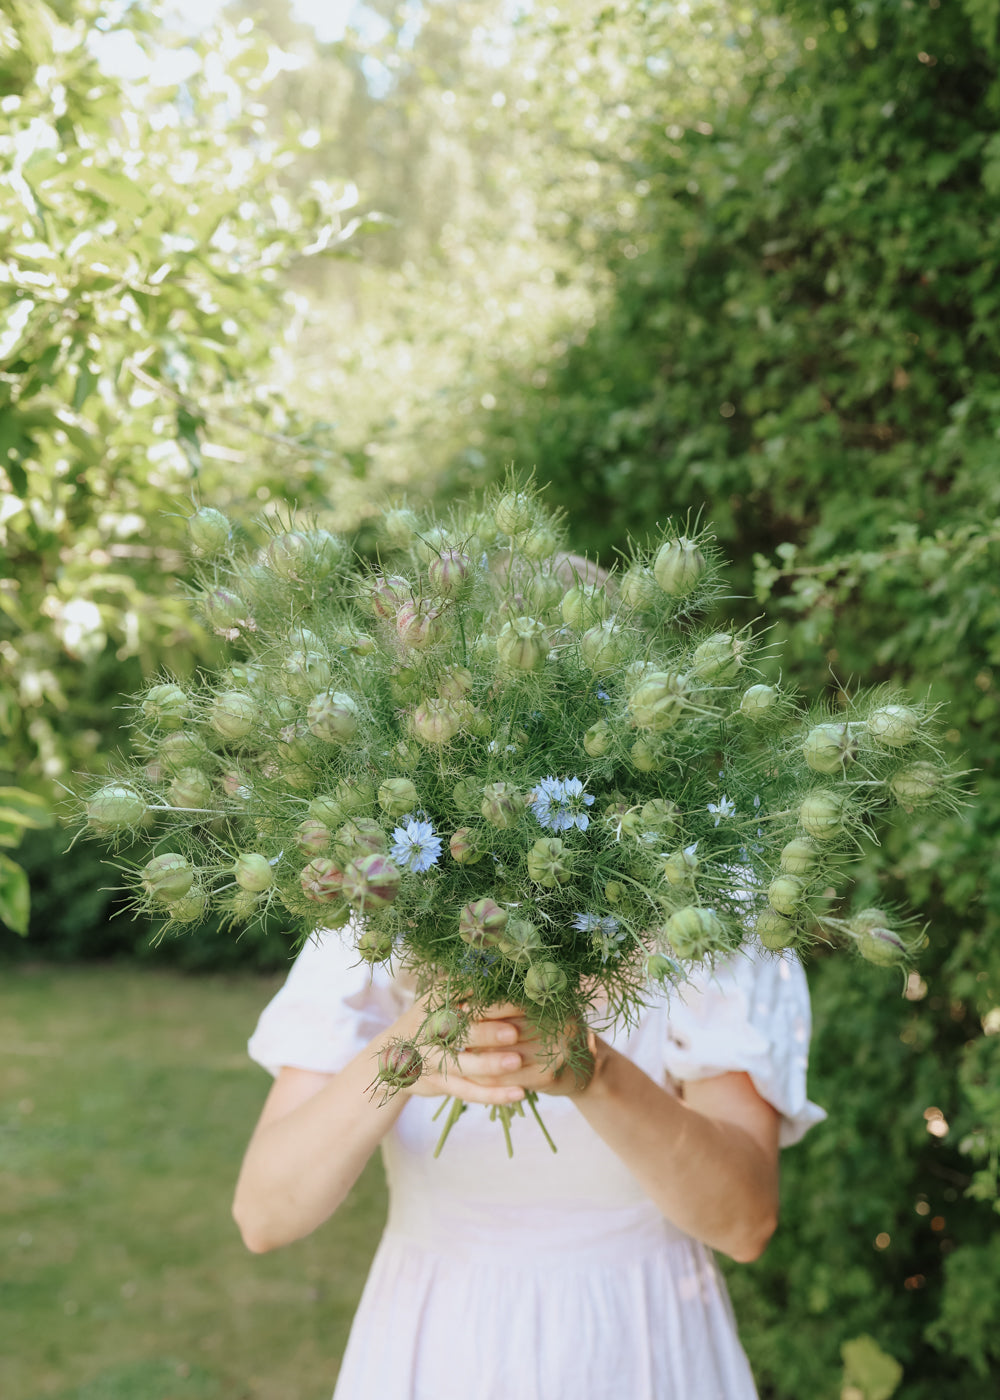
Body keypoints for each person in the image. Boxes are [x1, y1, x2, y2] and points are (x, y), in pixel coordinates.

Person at [233, 924, 825, 1400]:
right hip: (434, 1339)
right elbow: (265, 1215)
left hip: (640, 1340)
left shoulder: (706, 910)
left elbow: (745, 1223)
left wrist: (596, 1073)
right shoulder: (377, 900)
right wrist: (402, 1054)